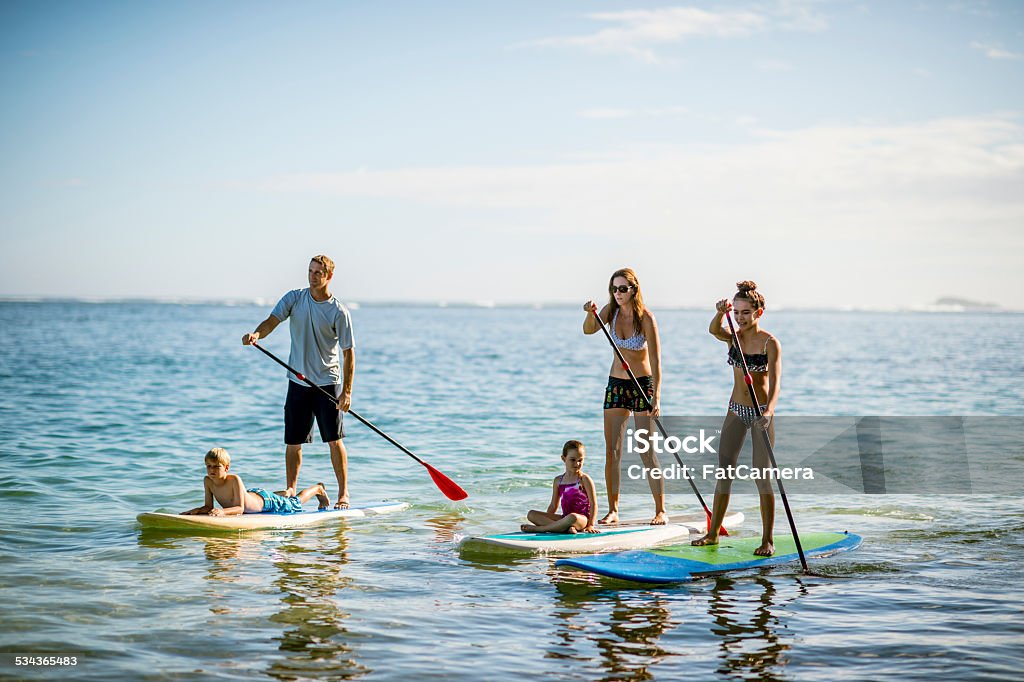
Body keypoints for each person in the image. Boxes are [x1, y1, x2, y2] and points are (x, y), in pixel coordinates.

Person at [242, 255, 355, 509]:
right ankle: (291, 487)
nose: (312, 276)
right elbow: (272, 321)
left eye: (318, 273)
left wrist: (346, 392)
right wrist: (256, 334)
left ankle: (343, 493)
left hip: (327, 383)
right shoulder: (295, 298)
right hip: (298, 382)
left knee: (334, 440)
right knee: (293, 442)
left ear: (329, 277)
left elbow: (349, 353)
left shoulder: (338, 311)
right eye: (310, 271)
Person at [692, 281, 781, 556]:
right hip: (735, 410)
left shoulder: (769, 342)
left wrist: (768, 412)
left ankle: (767, 540)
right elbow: (713, 330)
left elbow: (776, 383)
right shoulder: (734, 337)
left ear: (759, 313)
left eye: (746, 313)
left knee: (761, 476)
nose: (741, 318)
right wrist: (721, 312)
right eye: (737, 312)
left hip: (760, 413)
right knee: (724, 472)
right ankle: (712, 534)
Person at [583, 267, 668, 525]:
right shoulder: (610, 311)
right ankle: (613, 510)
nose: (617, 293)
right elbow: (588, 330)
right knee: (613, 450)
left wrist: (657, 397)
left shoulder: (646, 319)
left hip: (642, 385)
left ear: (634, 290)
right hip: (616, 385)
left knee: (646, 450)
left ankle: (660, 510)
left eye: (622, 289)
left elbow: (655, 359)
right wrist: (590, 314)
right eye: (614, 288)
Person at [181, 448, 329, 516]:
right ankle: (284, 493)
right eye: (208, 466)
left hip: (265, 500)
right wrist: (197, 511)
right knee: (287, 498)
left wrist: (222, 512)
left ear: (226, 468)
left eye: (216, 467)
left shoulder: (234, 479)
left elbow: (239, 508)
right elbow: (208, 506)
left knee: (294, 503)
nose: (211, 470)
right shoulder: (208, 481)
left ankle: (318, 489)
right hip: (252, 494)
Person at [521, 440, 599, 534]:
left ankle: (542, 529)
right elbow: (553, 505)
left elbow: (593, 504)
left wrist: (591, 525)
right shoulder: (558, 481)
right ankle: (565, 528)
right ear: (563, 458)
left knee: (572, 517)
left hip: (581, 520)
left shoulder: (584, 479)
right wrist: (544, 519)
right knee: (531, 514)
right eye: (573, 460)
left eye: (580, 460)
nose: (577, 463)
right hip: (564, 518)